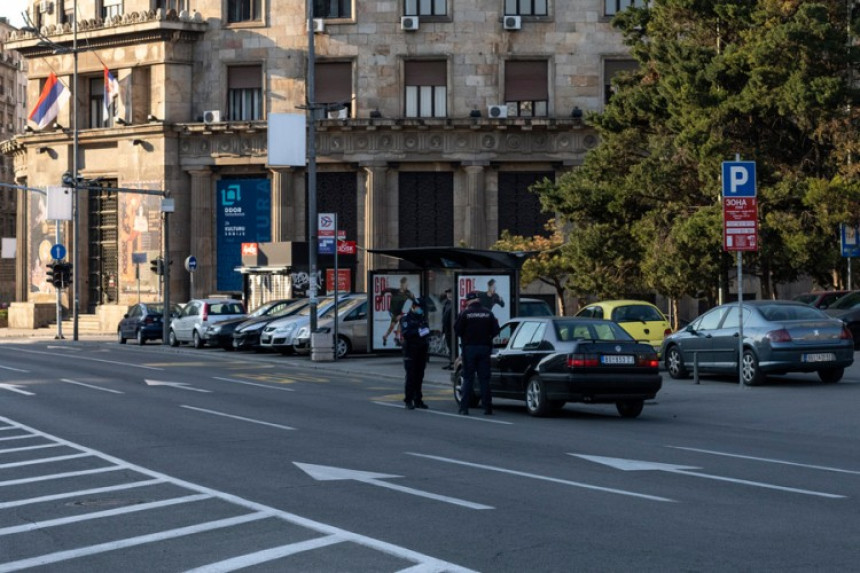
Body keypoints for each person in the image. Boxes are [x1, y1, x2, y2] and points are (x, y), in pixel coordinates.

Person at [454, 291, 500, 415]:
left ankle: (464, 408)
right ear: (478, 300)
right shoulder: (488, 313)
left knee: (468, 378)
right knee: (484, 379)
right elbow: (496, 330)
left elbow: (457, 330)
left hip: (469, 349)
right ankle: (488, 408)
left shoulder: (465, 313)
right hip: (484, 348)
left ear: (469, 301)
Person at [400, 297, 431, 410]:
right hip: (410, 350)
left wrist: (423, 332)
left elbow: (427, 330)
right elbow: (406, 333)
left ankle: (418, 399)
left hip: (421, 350)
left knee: (419, 376)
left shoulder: (422, 318)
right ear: (414, 306)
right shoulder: (406, 318)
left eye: (422, 308)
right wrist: (419, 332)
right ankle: (408, 400)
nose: (421, 310)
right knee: (411, 376)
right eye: (420, 308)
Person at [382, 276, 416, 346]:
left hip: (402, 313)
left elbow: (414, 300)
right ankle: (385, 336)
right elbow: (385, 290)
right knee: (392, 326)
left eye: (407, 284)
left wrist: (414, 307)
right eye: (405, 284)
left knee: (401, 322)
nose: (406, 285)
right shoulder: (395, 291)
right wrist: (381, 296)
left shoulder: (408, 293)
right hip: (394, 312)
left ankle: (397, 338)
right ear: (401, 284)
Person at [441, 288, 454, 370]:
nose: (448, 294)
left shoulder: (454, 303)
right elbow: (444, 318)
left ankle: (453, 363)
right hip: (447, 329)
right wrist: (443, 331)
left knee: (452, 347)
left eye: (450, 292)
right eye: (447, 293)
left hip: (452, 329)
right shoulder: (446, 303)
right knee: (449, 347)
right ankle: (451, 362)